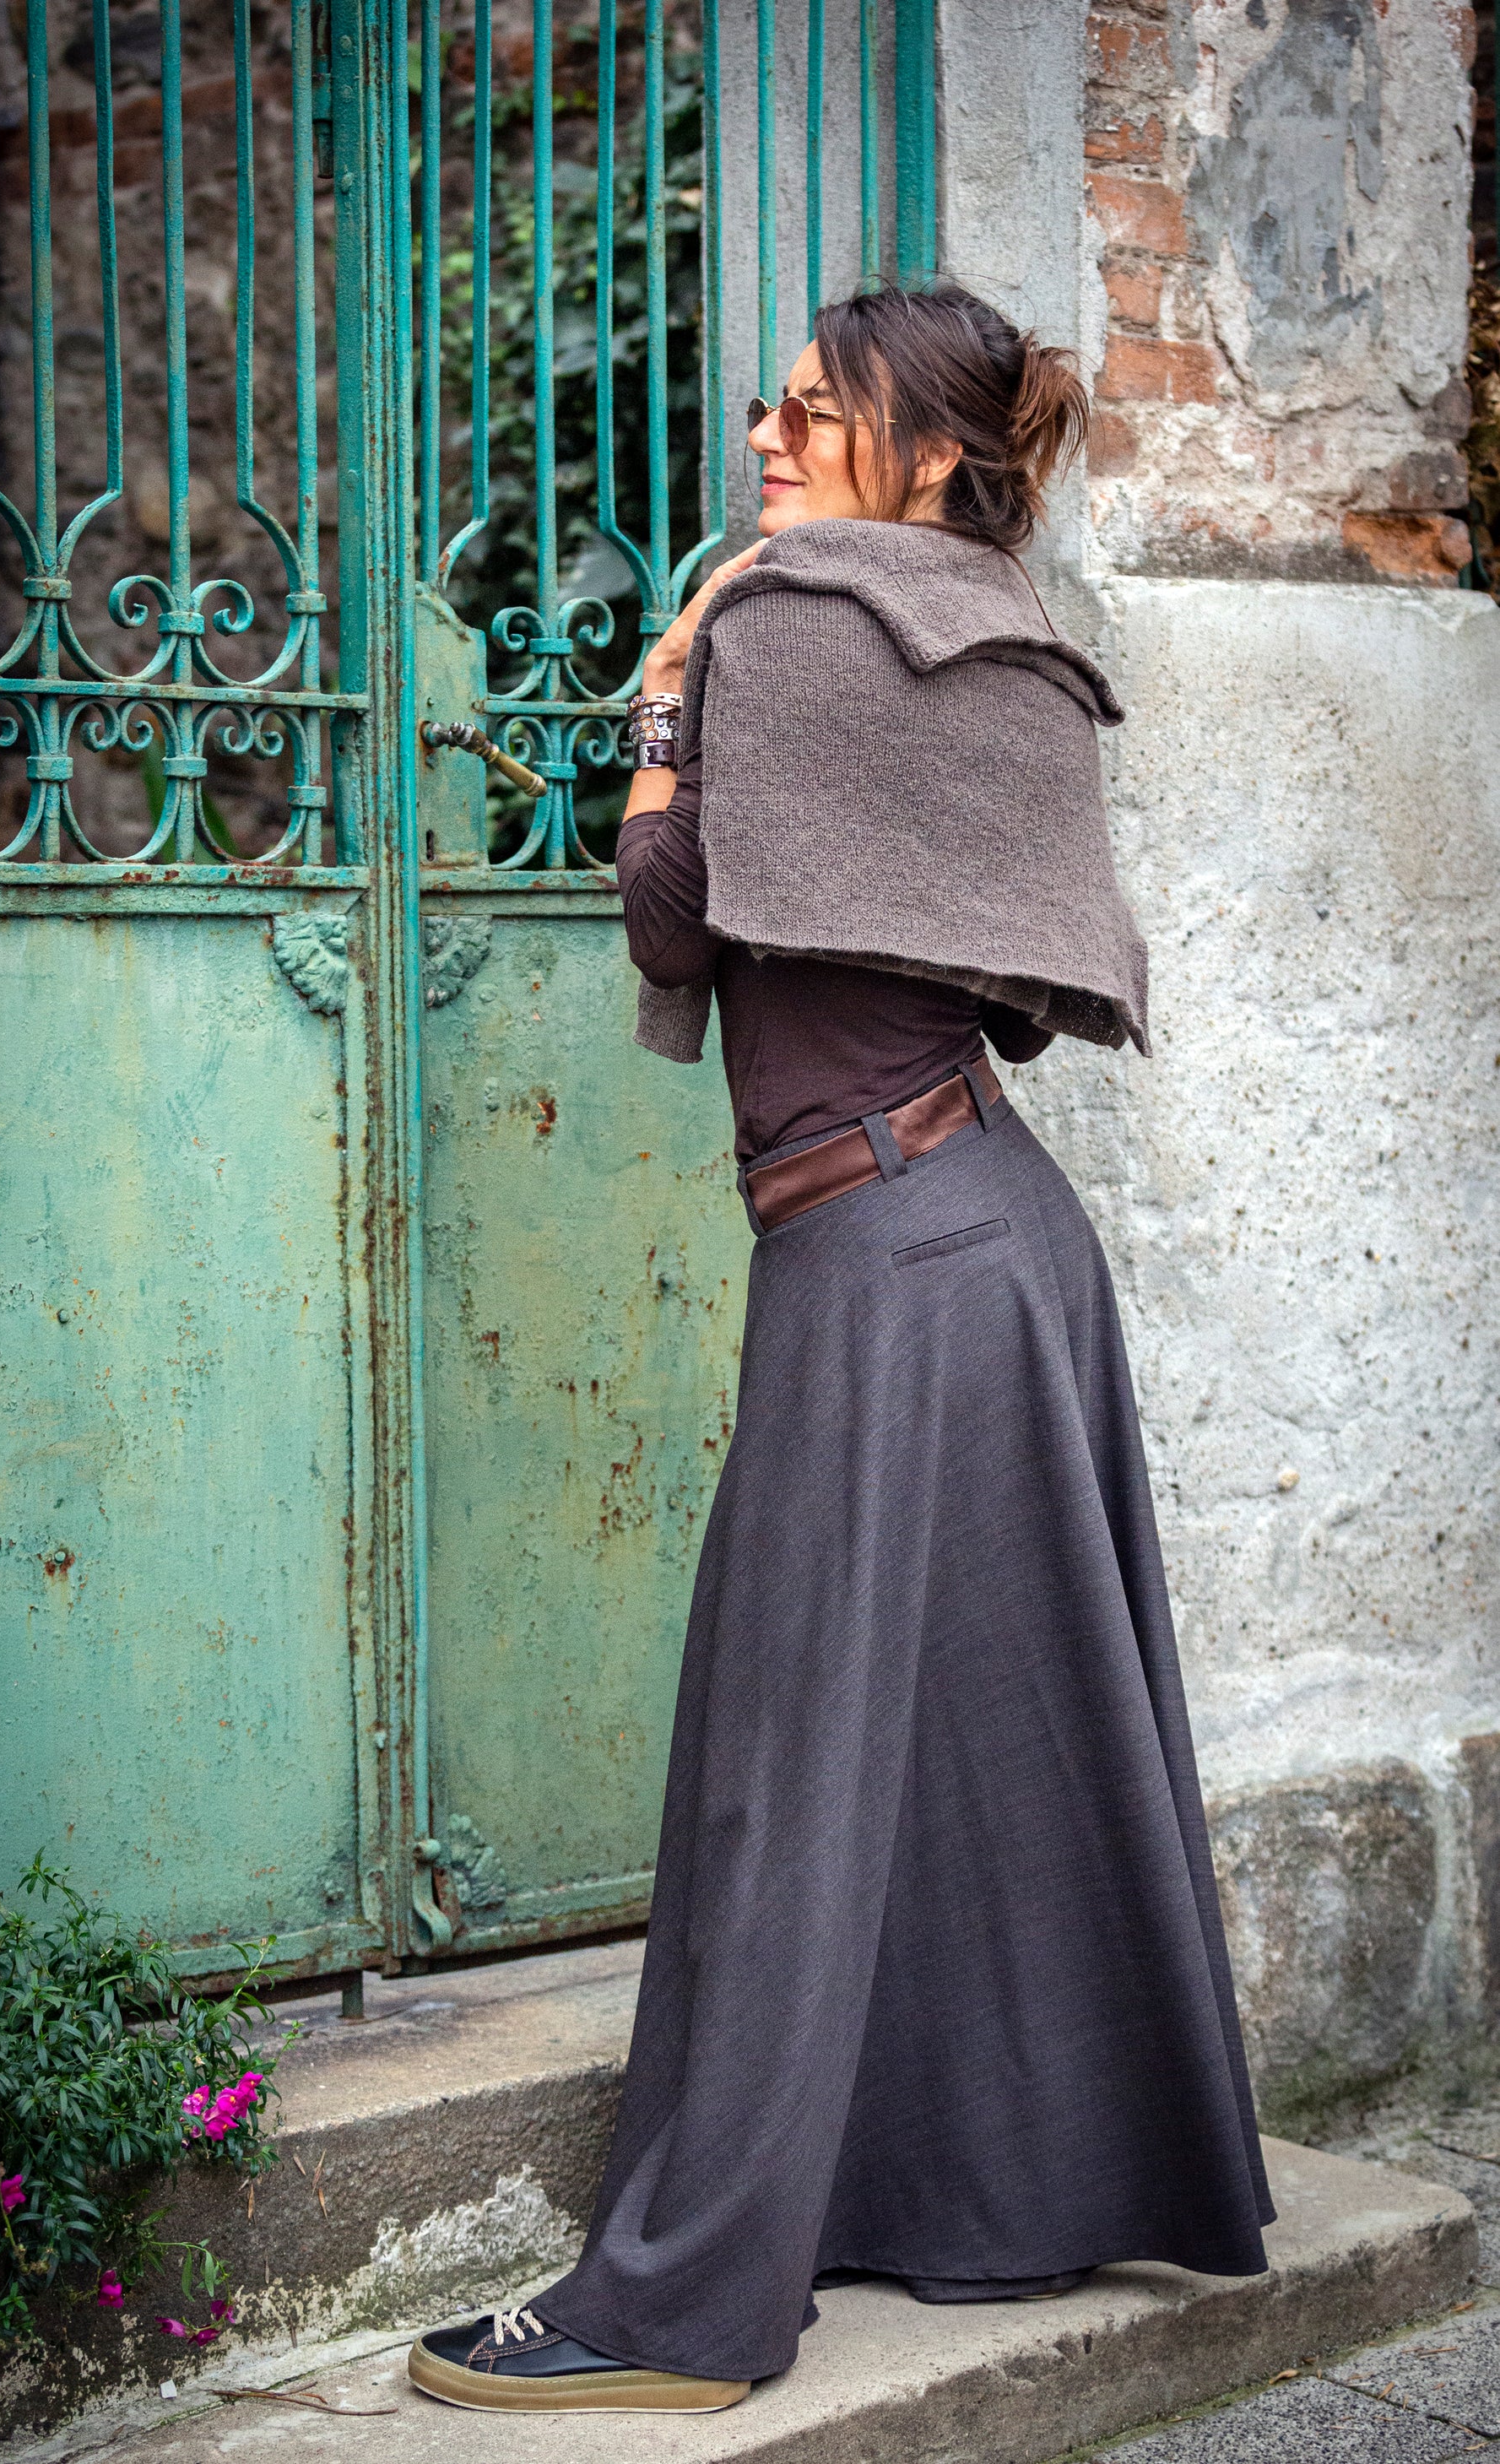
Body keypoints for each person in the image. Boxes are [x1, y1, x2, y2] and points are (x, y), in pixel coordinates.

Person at [407, 279, 1273, 2420]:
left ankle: (676, 2303)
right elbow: (987, 986)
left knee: (789, 1772)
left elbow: (671, 910)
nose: (768, 441)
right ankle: (1005, 2187)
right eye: (770, 407)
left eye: (813, 414)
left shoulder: (792, 620)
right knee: (989, 1747)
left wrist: (668, 687)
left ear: (929, 450)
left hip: (891, 1252)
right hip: (983, 1235)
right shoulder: (1004, 637)